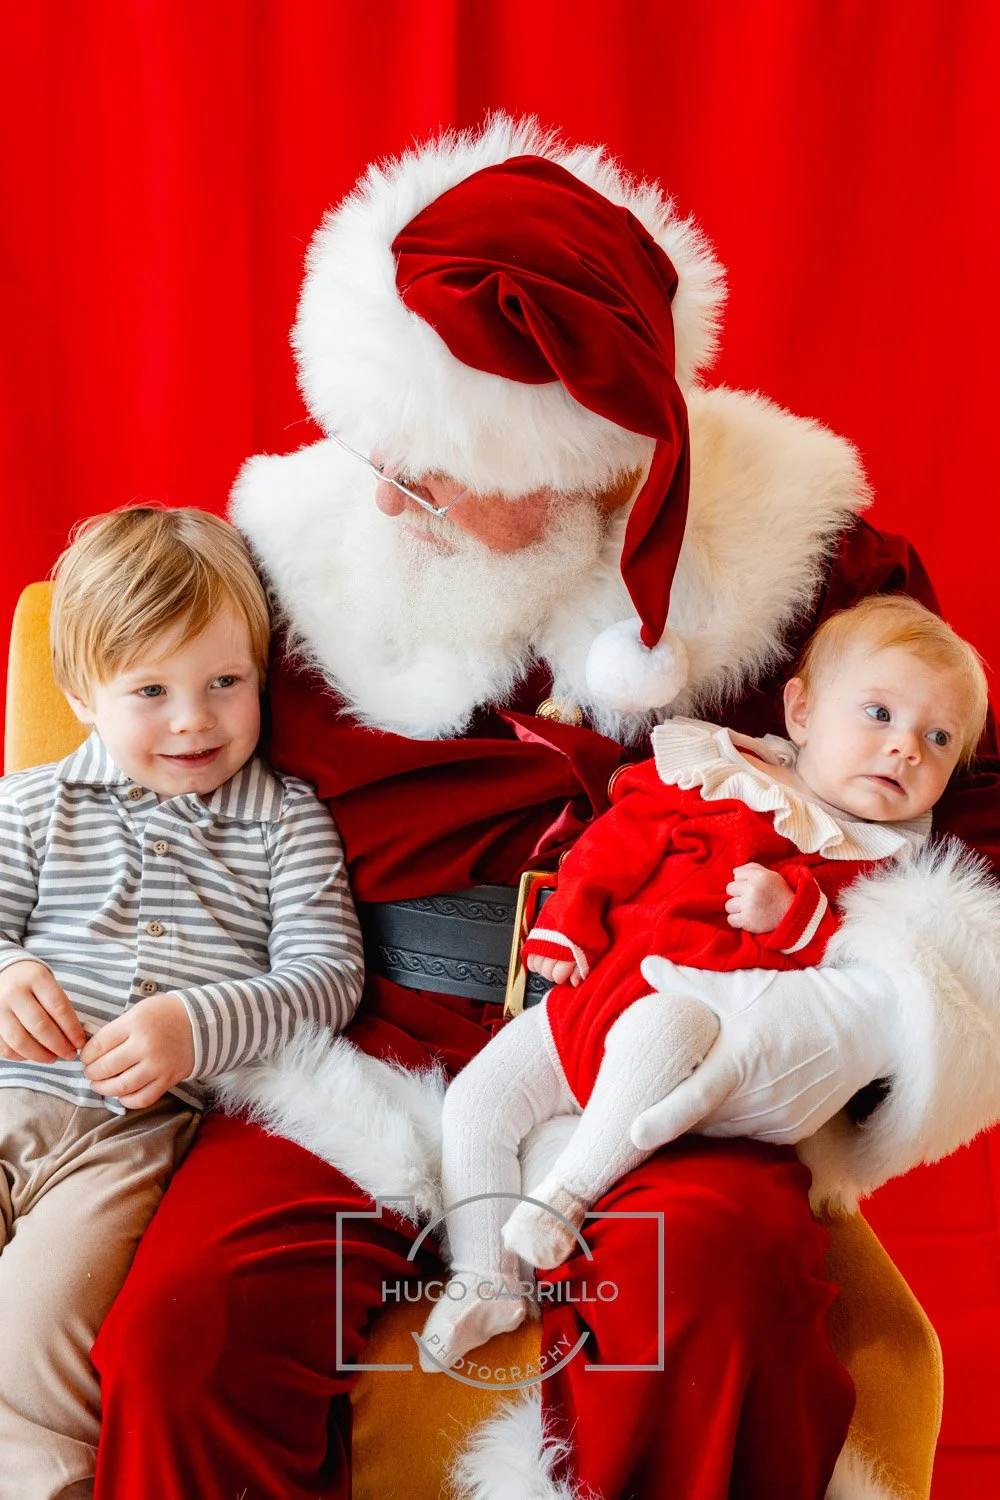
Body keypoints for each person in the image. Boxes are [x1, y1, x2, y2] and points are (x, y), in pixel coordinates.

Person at [89, 118, 1000, 1500]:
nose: (388, 497)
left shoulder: (809, 555)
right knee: (186, 1333)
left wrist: (865, 1008)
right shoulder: (306, 534)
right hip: (363, 1038)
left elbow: (966, 800)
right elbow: (141, 746)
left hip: (674, 1041)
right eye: (375, 449)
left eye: (435, 468)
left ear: (579, 457)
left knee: (715, 1287)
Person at [420, 596, 989, 1368]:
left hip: (695, 1035)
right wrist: (569, 923)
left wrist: (795, 918)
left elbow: (859, 965)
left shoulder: (876, 864)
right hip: (591, 999)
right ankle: (486, 1276)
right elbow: (615, 842)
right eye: (879, 713)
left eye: (937, 738)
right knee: (477, 1101)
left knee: (665, 1028)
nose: (903, 750)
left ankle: (569, 1194)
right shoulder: (721, 773)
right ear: (801, 711)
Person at [0, 506, 363, 1499]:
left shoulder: (285, 819)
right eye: (149, 691)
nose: (194, 720)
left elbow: (328, 980)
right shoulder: (31, 807)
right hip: (7, 1097)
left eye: (224, 683)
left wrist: (193, 1027)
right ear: (81, 694)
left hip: (128, 1137)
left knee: (34, 1343)